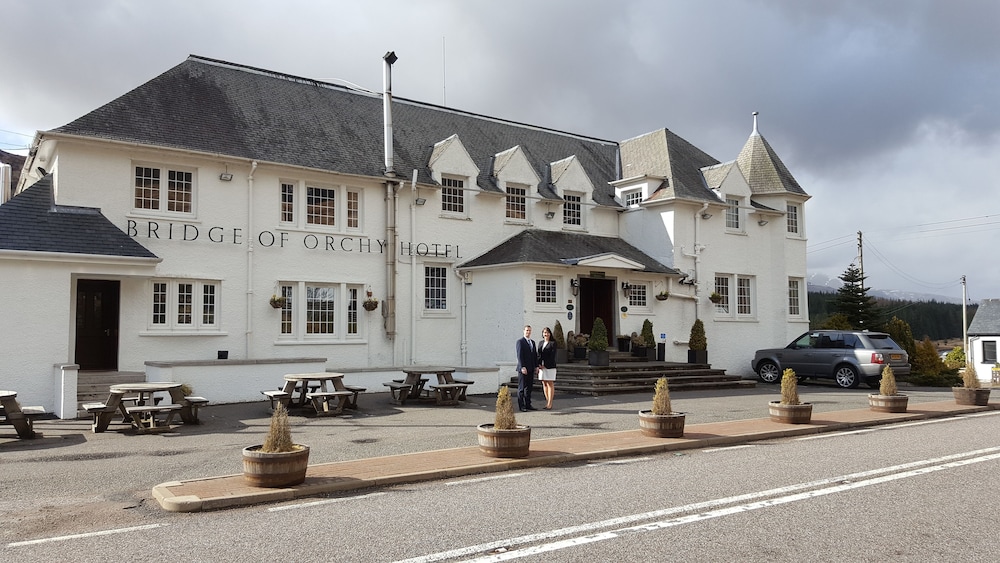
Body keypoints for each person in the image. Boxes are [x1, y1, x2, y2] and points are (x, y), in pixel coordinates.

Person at [515, 325, 538, 411]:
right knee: (521, 388)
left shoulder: (532, 342)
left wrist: (536, 366)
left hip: (531, 368)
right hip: (523, 369)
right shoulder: (520, 342)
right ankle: (521, 406)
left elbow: (534, 356)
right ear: (523, 331)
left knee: (529, 388)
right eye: (527, 330)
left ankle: (528, 404)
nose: (528, 332)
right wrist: (522, 367)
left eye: (529, 331)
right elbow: (519, 355)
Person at [537, 326, 558, 409]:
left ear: (550, 334)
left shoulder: (553, 343)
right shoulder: (540, 343)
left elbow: (552, 356)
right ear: (543, 334)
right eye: (544, 333)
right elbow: (538, 355)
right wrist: (539, 364)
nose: (546, 334)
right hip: (541, 367)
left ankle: (550, 403)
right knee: (544, 383)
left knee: (550, 383)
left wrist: (545, 365)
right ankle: (547, 401)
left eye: (547, 333)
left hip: (550, 366)